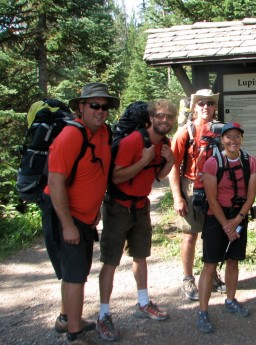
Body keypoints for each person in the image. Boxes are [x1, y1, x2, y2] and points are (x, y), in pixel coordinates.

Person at [40, 82, 118, 345]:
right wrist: (67, 225)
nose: (100, 111)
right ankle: (74, 334)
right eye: (94, 105)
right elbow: (55, 181)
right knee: (75, 275)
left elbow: (97, 174)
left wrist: (94, 208)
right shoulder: (71, 136)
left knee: (80, 270)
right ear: (81, 107)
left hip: (85, 216)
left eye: (104, 106)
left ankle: (66, 317)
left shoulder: (104, 132)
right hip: (66, 215)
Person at [97, 100, 177, 341]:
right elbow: (117, 176)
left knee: (140, 256)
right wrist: (143, 160)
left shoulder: (164, 143)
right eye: (161, 116)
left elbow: (158, 175)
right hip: (118, 207)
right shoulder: (134, 141)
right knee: (110, 261)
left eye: (170, 117)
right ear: (151, 118)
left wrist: (170, 161)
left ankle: (143, 303)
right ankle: (103, 315)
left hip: (141, 206)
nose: (165, 120)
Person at [196, 122, 256, 333]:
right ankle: (203, 312)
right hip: (217, 219)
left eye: (237, 136)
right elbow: (212, 199)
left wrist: (238, 219)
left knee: (233, 261)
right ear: (222, 140)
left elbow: (251, 195)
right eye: (228, 137)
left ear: (242, 138)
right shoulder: (212, 163)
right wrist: (226, 226)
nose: (233, 140)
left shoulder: (251, 162)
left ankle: (230, 300)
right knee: (210, 264)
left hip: (238, 218)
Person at [169, 89, 225, 301]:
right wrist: (177, 196)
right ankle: (188, 278)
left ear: (214, 107)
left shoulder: (220, 131)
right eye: (201, 103)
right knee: (190, 235)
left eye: (210, 103)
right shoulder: (185, 132)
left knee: (212, 233)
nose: (205, 107)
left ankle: (210, 275)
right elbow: (173, 165)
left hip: (216, 187)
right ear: (194, 107)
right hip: (191, 186)